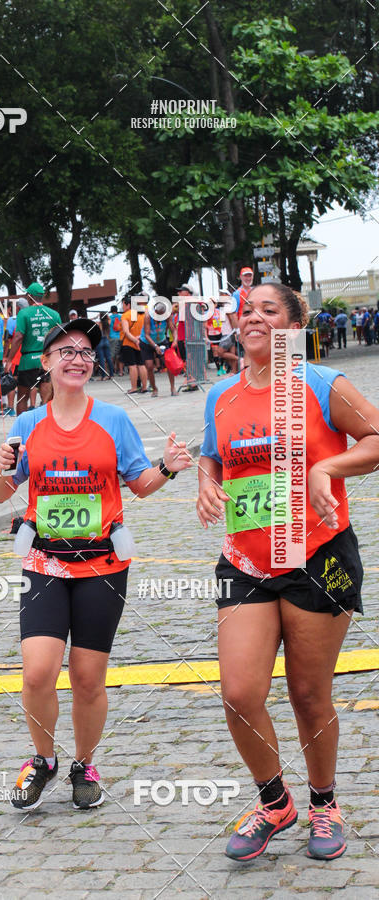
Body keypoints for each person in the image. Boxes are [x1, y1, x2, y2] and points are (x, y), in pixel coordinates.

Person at [198, 282, 379, 862]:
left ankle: (324, 804)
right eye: (246, 311)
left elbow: (376, 437)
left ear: (295, 323)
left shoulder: (321, 384)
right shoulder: (221, 395)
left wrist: (328, 465)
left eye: (268, 310)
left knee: (307, 693)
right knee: (239, 692)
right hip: (246, 561)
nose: (252, 318)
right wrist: (205, 480)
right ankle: (275, 802)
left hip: (318, 557)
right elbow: (213, 454)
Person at [0, 317, 192, 811]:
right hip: (44, 563)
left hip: (103, 565)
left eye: (85, 351)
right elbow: (1, 493)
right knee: (37, 674)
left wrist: (167, 466)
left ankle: (84, 763)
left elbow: (139, 484)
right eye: (66, 351)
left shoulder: (114, 420)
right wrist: (0, 466)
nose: (77, 358)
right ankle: (43, 760)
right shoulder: (26, 424)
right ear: (47, 363)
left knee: (87, 678)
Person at [6, 282, 61, 413]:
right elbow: (60, 337)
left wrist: (9, 360)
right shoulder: (53, 314)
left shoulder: (23, 313)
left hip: (28, 360)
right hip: (47, 359)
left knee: (22, 398)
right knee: (47, 399)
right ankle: (48, 428)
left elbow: (18, 337)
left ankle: (22, 430)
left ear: (29, 297)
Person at [139, 300, 173, 396]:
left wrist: (174, 340)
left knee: (168, 363)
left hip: (161, 341)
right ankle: (154, 388)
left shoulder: (167, 317)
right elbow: (147, 335)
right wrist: (155, 346)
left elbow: (173, 329)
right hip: (147, 342)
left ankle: (172, 387)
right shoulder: (148, 317)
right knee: (149, 366)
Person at [120, 294, 147, 393]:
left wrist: (134, 340)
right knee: (141, 365)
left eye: (123, 304)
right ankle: (144, 387)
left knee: (132, 366)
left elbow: (126, 332)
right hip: (141, 343)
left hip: (129, 343)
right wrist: (138, 340)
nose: (122, 307)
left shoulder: (126, 315)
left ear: (128, 305)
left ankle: (134, 387)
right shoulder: (142, 314)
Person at [95, 312, 113, 379]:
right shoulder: (108, 323)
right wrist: (106, 316)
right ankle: (111, 374)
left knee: (101, 359)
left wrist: (96, 317)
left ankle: (103, 376)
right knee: (108, 358)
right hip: (106, 341)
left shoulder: (99, 323)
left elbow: (90, 320)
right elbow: (109, 318)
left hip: (100, 341)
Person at [109, 304, 123, 375]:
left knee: (112, 356)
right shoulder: (121, 317)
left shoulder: (109, 318)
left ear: (111, 311)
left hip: (112, 338)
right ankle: (120, 371)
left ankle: (112, 371)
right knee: (119, 355)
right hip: (121, 337)